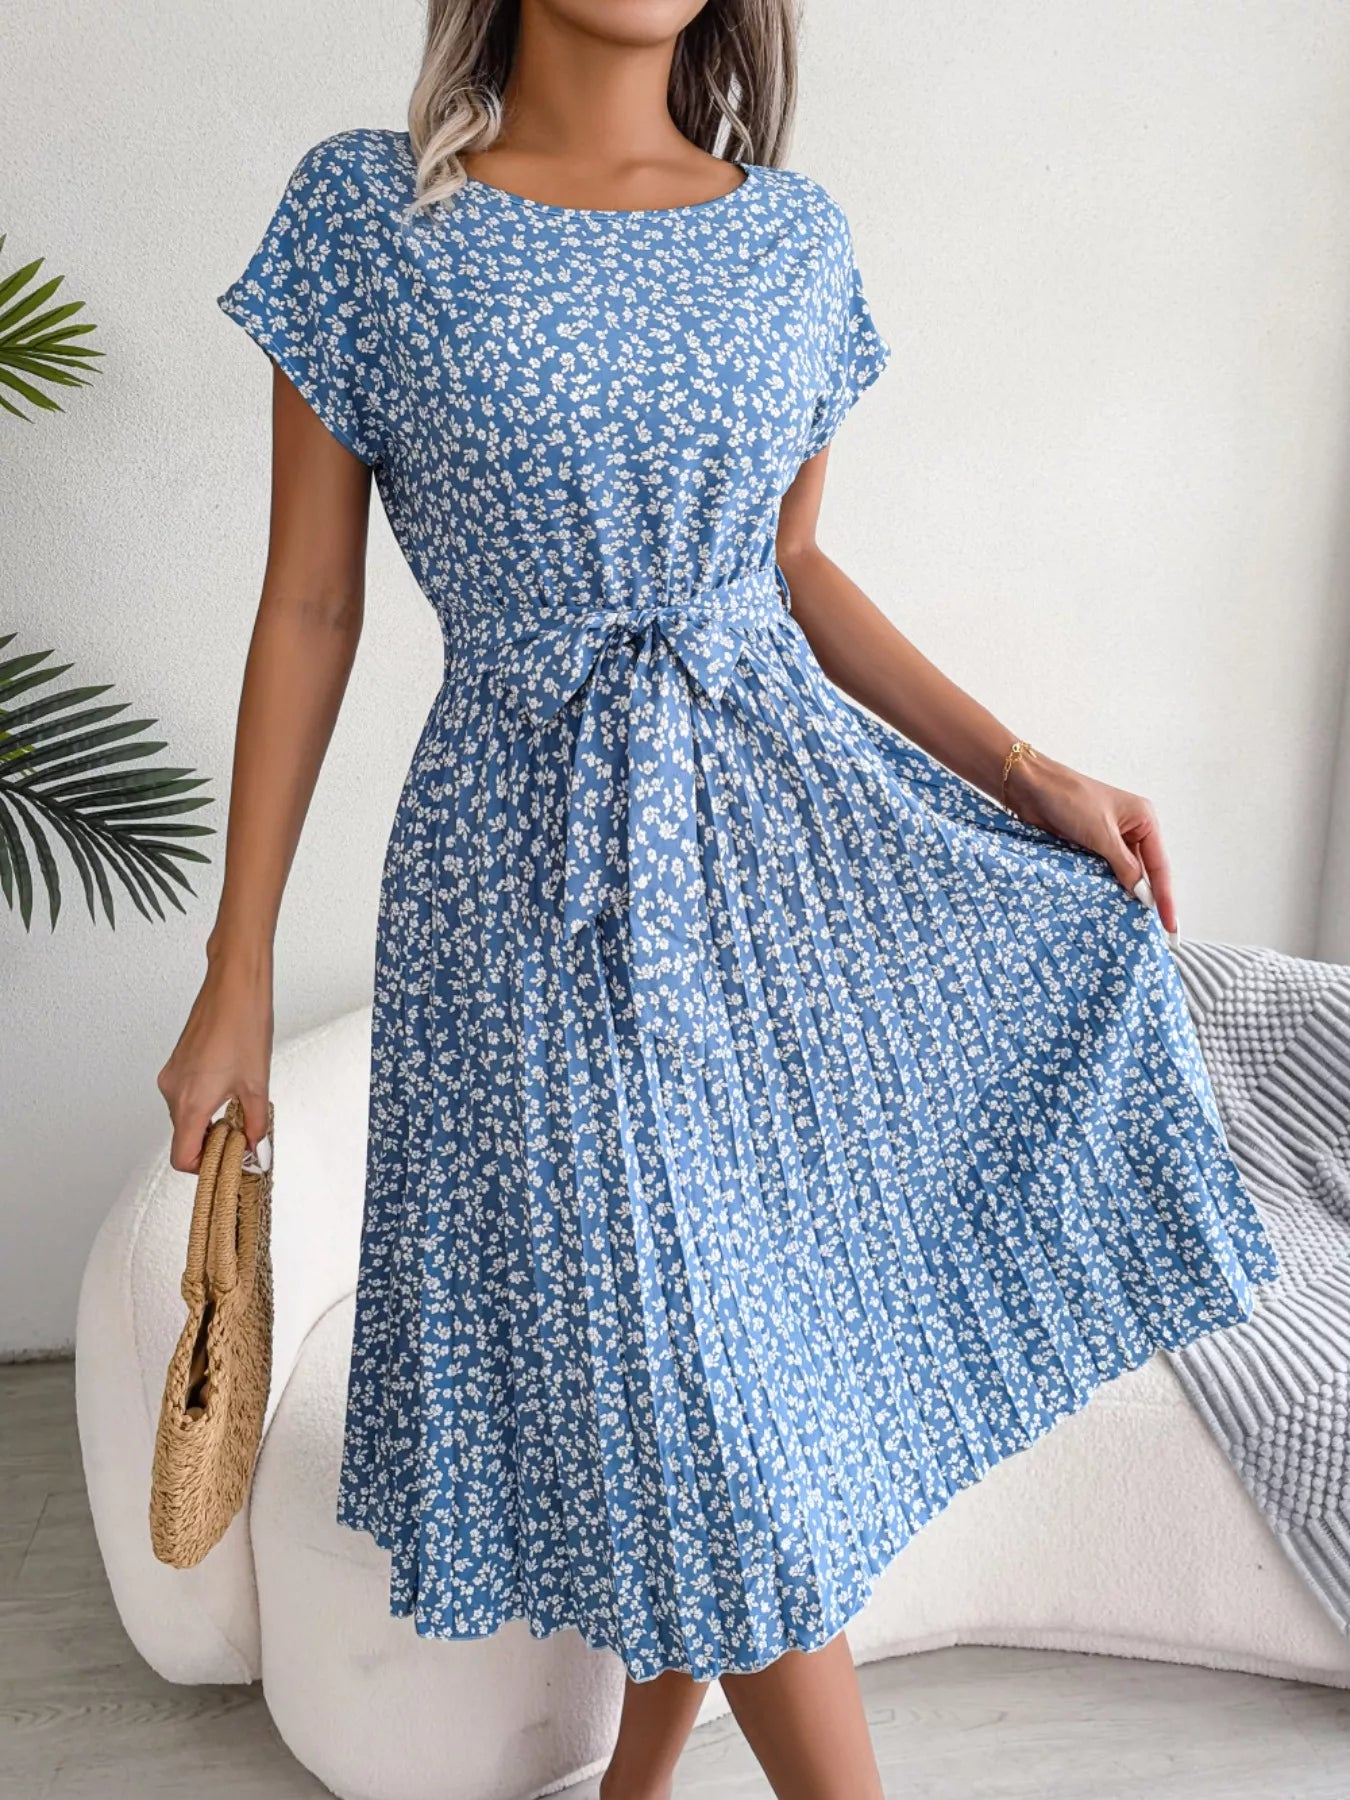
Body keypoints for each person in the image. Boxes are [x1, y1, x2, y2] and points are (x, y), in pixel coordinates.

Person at [158, 3, 1280, 1795]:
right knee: (686, 1368)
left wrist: (1027, 775)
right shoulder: (370, 215)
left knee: (722, 1361)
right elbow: (310, 608)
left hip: (780, 855)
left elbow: (792, 567)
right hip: (519, 877)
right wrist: (233, 975)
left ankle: (637, 1777)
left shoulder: (789, 232)